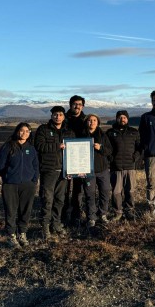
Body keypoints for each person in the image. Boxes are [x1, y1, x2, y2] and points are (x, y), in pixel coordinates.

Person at [0, 122, 39, 248]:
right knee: (11, 210)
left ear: (30, 133)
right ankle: (11, 236)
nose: (24, 133)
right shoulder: (8, 146)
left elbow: (36, 166)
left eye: (27, 131)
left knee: (25, 210)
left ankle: (22, 234)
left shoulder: (31, 148)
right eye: (22, 130)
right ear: (17, 131)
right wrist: (7, 177)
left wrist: (34, 180)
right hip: (10, 185)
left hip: (28, 185)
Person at [34, 106, 75, 239]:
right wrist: (57, 146)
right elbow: (39, 146)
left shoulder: (69, 132)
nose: (58, 117)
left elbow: (73, 152)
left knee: (60, 199)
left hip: (64, 171)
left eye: (60, 115)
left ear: (64, 117)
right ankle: (45, 226)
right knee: (47, 199)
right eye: (55, 114)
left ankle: (56, 223)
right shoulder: (43, 130)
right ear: (51, 116)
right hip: (48, 169)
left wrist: (72, 169)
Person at [106, 110, 141, 221]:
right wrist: (111, 159)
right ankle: (118, 212)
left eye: (124, 117)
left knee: (130, 190)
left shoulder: (134, 132)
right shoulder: (110, 133)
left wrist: (135, 157)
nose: (122, 119)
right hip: (116, 167)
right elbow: (107, 149)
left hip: (130, 166)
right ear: (117, 118)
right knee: (116, 191)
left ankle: (129, 211)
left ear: (127, 119)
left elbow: (139, 147)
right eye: (120, 117)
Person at [82, 114, 112, 229]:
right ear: (86, 122)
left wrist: (101, 148)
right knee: (90, 194)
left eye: (94, 120)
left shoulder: (103, 135)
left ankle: (103, 214)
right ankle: (91, 217)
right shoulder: (81, 135)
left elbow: (110, 151)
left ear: (98, 122)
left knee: (104, 192)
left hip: (102, 170)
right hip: (88, 171)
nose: (92, 122)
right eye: (89, 120)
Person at [63, 95, 86, 226]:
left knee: (78, 189)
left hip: (81, 160)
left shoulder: (86, 120)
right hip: (66, 159)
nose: (77, 106)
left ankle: (76, 215)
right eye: (75, 104)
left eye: (79, 104)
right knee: (64, 189)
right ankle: (64, 215)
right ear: (70, 104)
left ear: (82, 106)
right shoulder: (63, 119)